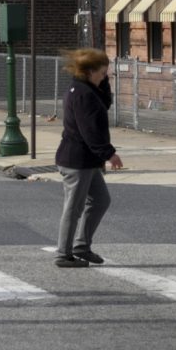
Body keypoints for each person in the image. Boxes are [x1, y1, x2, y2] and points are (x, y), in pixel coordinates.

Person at [53, 49, 122, 268]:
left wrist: (105, 82)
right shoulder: (82, 94)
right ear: (90, 71)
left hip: (86, 160)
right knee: (73, 208)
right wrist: (109, 153)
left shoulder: (86, 89)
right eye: (102, 72)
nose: (105, 76)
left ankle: (81, 246)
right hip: (77, 160)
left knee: (101, 200)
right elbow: (89, 130)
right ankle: (64, 254)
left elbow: (105, 103)